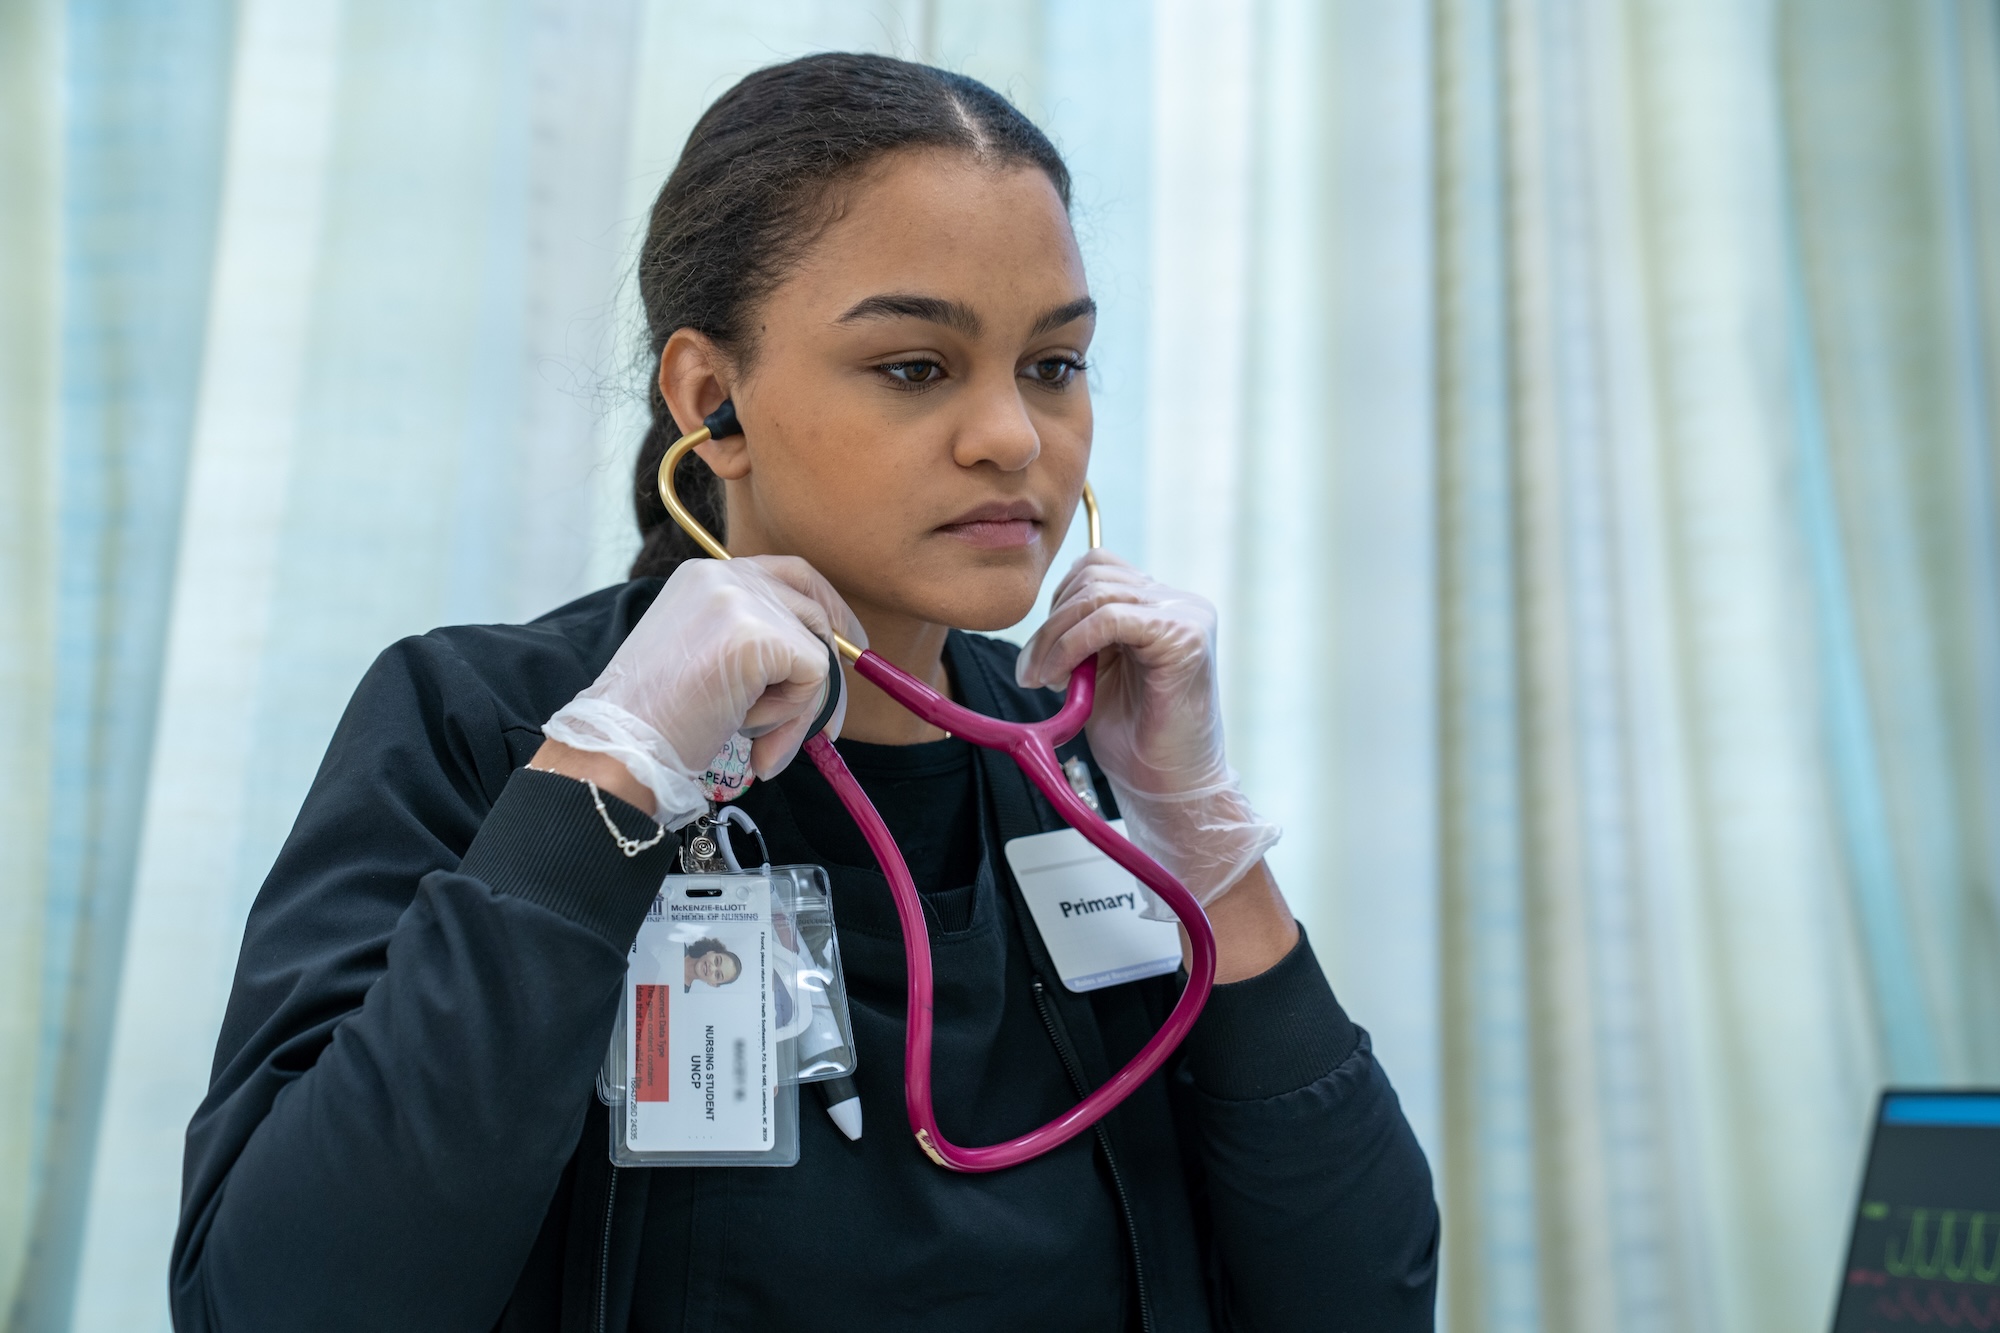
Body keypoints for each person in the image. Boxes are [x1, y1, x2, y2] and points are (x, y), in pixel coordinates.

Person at [170, 52, 1438, 1332]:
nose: (1012, 435)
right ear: (710, 402)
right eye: (914, 367)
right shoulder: (481, 727)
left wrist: (1209, 847)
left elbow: (1362, 1294)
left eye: (1054, 364)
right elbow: (275, 1299)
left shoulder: (1092, 768)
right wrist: (604, 783)